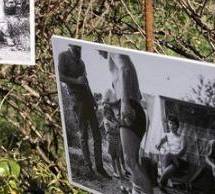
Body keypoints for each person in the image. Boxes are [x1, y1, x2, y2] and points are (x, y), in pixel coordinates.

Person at [98, 49, 153, 194]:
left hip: (131, 106)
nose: (98, 53)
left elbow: (124, 68)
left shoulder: (113, 52)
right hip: (136, 108)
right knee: (133, 160)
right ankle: (136, 191)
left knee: (130, 161)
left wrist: (125, 103)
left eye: (98, 49)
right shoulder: (116, 57)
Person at [58, 45, 111, 179]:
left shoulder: (81, 62)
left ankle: (100, 167)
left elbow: (86, 82)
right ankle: (89, 167)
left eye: (80, 48)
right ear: (71, 46)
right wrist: (76, 81)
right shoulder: (63, 56)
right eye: (77, 48)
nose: (79, 50)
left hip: (88, 100)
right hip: (77, 100)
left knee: (97, 135)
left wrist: (93, 101)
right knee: (84, 136)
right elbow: (60, 76)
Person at [155, 115, 188, 192]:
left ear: (177, 126)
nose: (172, 126)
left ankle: (161, 181)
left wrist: (172, 155)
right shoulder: (167, 135)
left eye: (174, 124)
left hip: (179, 161)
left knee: (168, 154)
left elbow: (182, 151)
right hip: (171, 163)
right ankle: (163, 182)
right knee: (171, 164)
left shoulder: (182, 137)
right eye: (170, 123)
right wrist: (159, 144)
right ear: (168, 124)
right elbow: (161, 141)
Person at [101, 105, 126, 178]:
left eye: (110, 113)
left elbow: (119, 124)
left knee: (118, 157)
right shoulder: (106, 121)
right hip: (111, 141)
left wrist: (118, 125)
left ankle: (120, 173)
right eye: (107, 113)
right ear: (105, 114)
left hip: (117, 141)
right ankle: (115, 172)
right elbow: (108, 131)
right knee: (113, 157)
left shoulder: (113, 119)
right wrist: (118, 131)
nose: (109, 115)